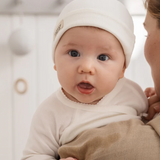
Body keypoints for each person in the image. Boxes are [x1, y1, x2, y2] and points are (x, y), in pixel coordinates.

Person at [21, 0, 149, 160]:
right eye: (74, 53)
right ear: (55, 61)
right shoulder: (50, 113)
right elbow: (33, 155)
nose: (86, 67)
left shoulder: (133, 94)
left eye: (103, 57)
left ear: (122, 68)